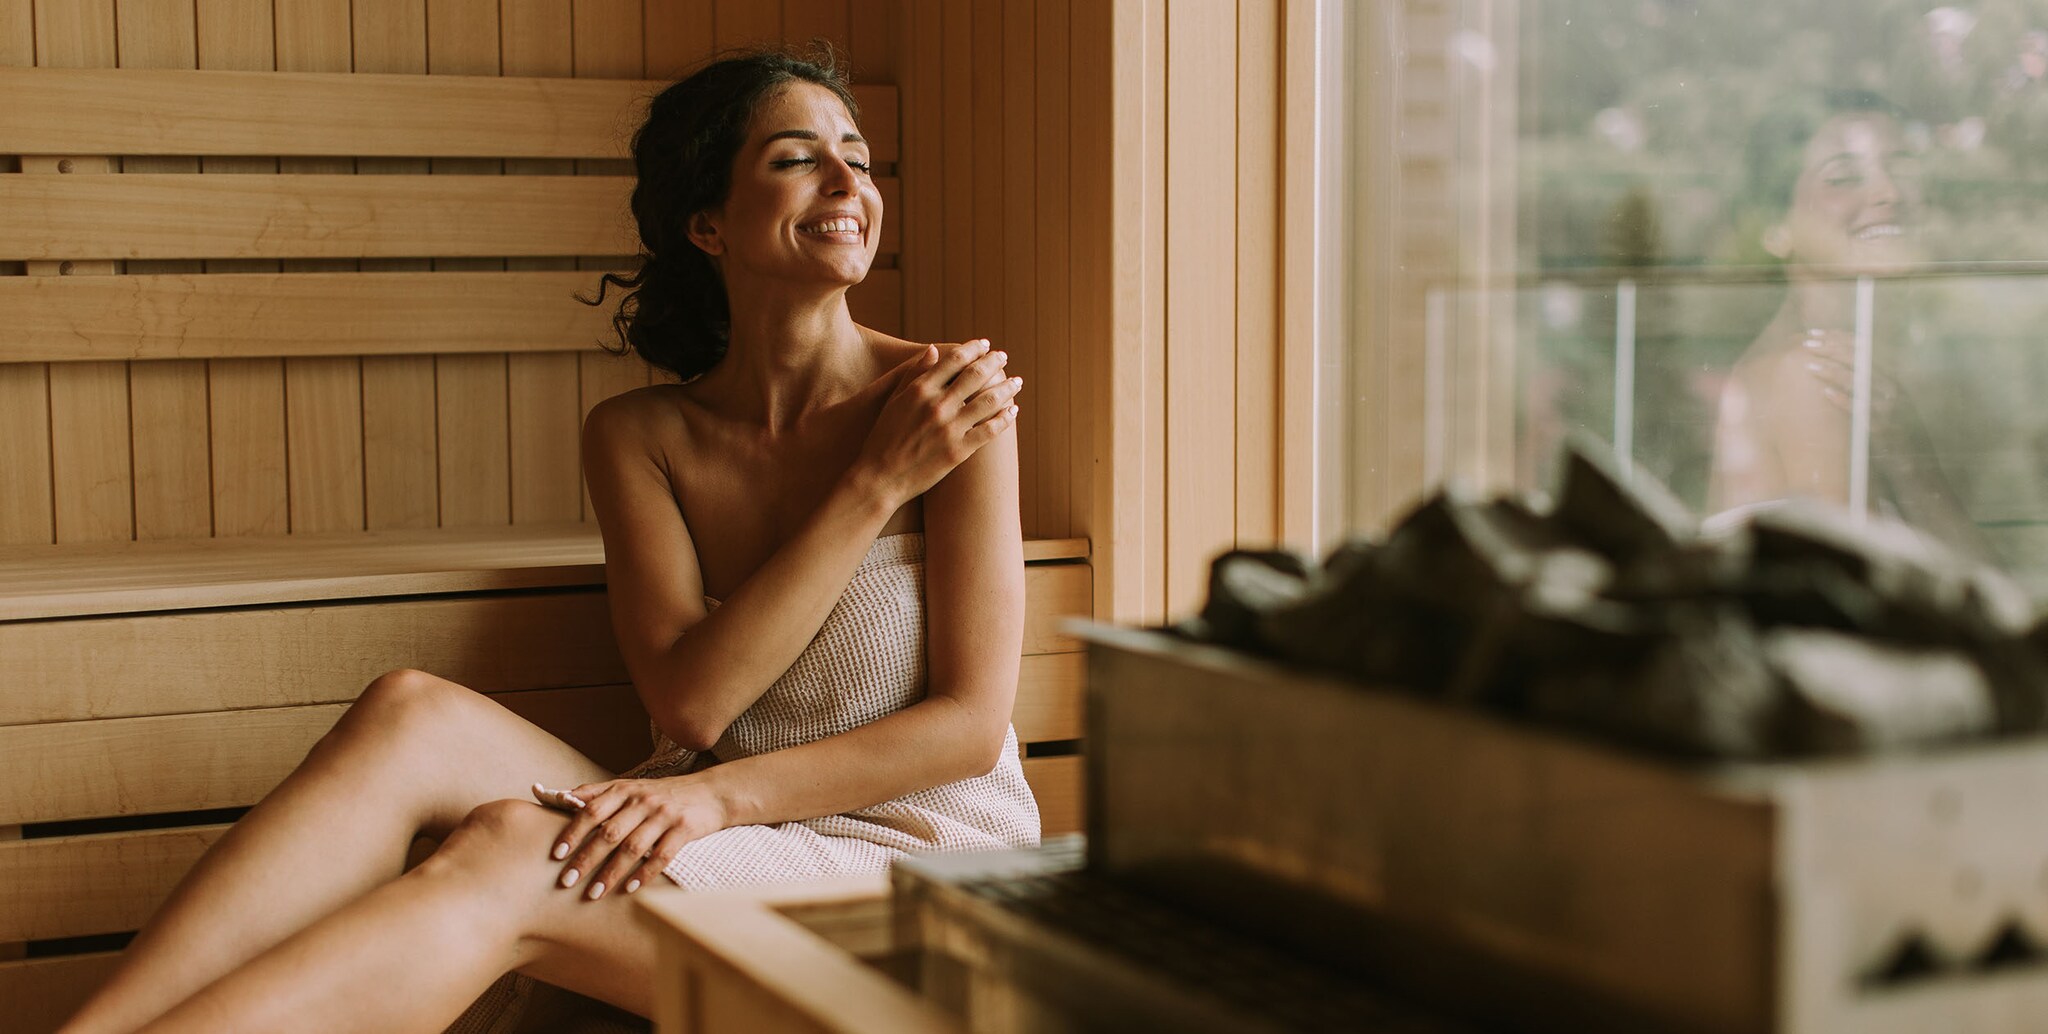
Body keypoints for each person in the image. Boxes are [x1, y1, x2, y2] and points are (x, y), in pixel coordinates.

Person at [59, 48, 1035, 1033]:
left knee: (512, 849)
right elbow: (691, 702)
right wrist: (873, 485)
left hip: (915, 873)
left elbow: (967, 720)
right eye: (796, 157)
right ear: (707, 223)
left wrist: (713, 804)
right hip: (714, 824)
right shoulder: (645, 436)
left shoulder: (945, 402)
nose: (845, 182)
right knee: (409, 715)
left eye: (858, 159)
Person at [1707, 89, 1986, 553]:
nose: (1889, 194)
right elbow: (1862, 604)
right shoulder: (1817, 375)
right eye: (1843, 176)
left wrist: (1904, 457)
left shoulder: (1850, 372)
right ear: (1778, 225)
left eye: (1901, 169)